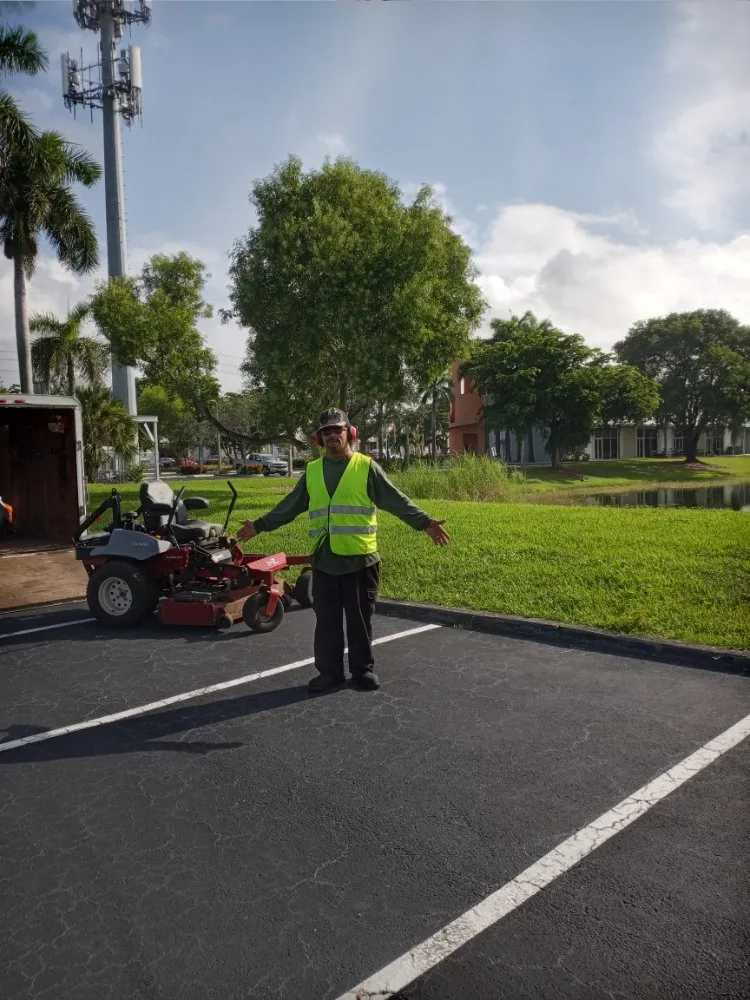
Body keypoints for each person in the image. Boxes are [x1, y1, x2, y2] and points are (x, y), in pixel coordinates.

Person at [237, 408, 450, 694]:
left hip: (360, 560)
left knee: (360, 620)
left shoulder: (366, 467)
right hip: (324, 560)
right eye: (326, 431)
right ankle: (330, 673)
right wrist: (259, 525)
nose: (332, 435)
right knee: (327, 622)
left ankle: (363, 670)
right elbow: (289, 507)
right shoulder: (312, 472)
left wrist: (425, 522)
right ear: (318, 439)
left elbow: (396, 500)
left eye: (337, 429)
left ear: (350, 433)